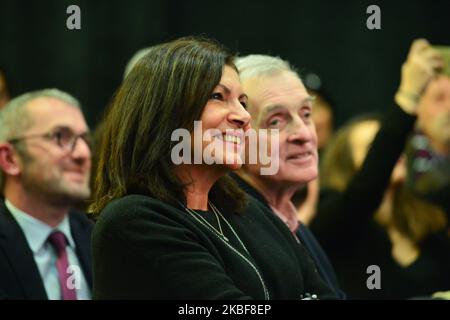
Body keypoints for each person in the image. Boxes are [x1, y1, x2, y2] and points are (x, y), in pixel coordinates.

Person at [90, 37, 336, 300]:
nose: (243, 116)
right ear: (165, 112)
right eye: (218, 96)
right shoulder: (133, 220)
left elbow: (324, 293)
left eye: (242, 102)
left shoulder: (248, 209)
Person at [311, 39, 450, 299]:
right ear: (349, 166)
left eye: (391, 143)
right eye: (375, 147)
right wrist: (408, 95)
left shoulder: (426, 217)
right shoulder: (336, 221)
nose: (391, 152)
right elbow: (365, 190)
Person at [232, 54, 345, 299]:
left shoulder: (291, 222)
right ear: (234, 137)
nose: (303, 133)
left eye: (306, 114)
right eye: (275, 121)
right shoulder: (232, 234)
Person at [0, 89, 94, 300]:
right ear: (10, 159)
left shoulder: (100, 237)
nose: (83, 154)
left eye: (84, 139)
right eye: (60, 136)